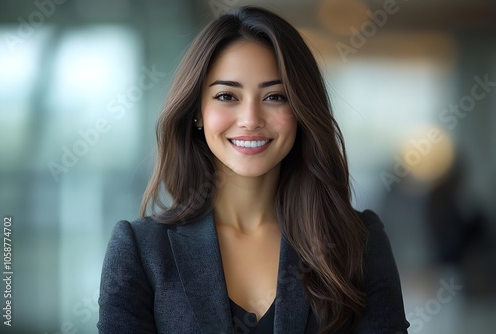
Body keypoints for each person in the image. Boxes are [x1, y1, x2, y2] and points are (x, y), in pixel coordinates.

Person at [98, 6, 409, 334]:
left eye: (275, 96)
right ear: (197, 112)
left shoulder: (358, 241)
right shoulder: (141, 249)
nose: (250, 119)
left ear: (301, 110)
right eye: (226, 96)